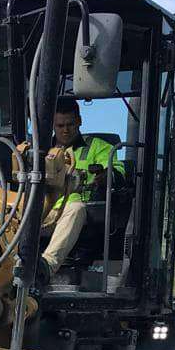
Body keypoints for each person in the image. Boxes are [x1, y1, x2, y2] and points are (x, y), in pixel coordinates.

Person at [37, 96, 126, 284]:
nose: (65, 130)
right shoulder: (39, 150)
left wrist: (105, 176)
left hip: (74, 212)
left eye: (70, 124)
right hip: (42, 210)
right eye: (60, 126)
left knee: (76, 208)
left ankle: (45, 266)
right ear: (52, 125)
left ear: (79, 121)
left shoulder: (100, 147)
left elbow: (118, 172)